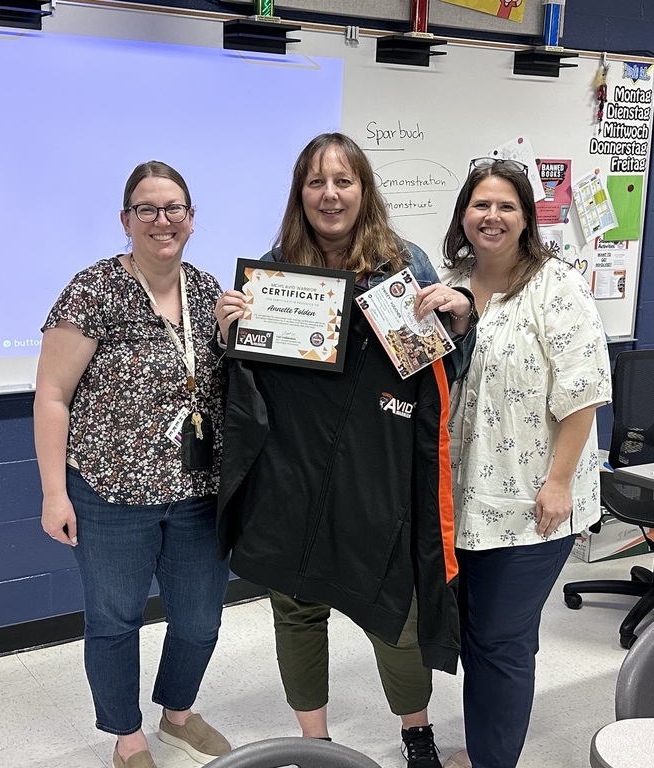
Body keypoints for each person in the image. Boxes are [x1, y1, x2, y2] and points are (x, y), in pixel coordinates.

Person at [214, 133, 476, 768]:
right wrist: (231, 335)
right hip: (294, 476)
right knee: (296, 609)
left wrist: (459, 314)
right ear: (300, 194)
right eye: (315, 182)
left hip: (375, 474)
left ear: (364, 190)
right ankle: (316, 746)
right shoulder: (277, 272)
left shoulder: (402, 264)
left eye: (343, 181)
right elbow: (248, 388)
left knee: (397, 616)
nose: (329, 195)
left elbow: (449, 366)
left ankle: (417, 734)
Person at [33, 161, 232, 768]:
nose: (162, 220)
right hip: (110, 493)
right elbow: (51, 395)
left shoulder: (206, 289)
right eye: (147, 209)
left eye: (174, 208)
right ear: (126, 220)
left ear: (192, 220)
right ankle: (127, 737)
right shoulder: (93, 290)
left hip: (199, 490)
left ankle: (176, 713)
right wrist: (53, 493)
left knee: (199, 620)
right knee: (116, 620)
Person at [436, 159, 612, 768]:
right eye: (481, 205)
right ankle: (484, 748)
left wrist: (559, 481)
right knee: (478, 634)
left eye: (506, 206)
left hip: (534, 501)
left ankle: (492, 761)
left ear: (526, 217)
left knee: (503, 639)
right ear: (464, 213)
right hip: (463, 501)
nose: (492, 217)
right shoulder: (449, 283)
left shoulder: (555, 286)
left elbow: (584, 389)